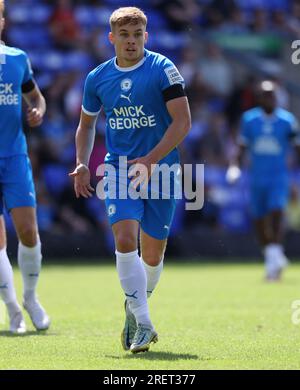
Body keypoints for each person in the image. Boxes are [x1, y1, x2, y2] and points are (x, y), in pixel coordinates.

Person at [70, 7, 191, 353]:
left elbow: (183, 123)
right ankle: (145, 322)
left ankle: (133, 308)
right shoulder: (97, 78)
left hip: (162, 169)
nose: (132, 41)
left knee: (151, 258)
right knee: (125, 238)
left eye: (138, 34)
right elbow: (87, 124)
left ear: (146, 36)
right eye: (124, 35)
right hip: (120, 169)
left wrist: (151, 160)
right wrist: (81, 163)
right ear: (112, 38)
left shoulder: (163, 69)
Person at [0, 0, 50, 333]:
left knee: (29, 233)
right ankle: (13, 308)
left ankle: (31, 297)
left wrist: (39, 110)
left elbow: (37, 97)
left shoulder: (17, 59)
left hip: (15, 156)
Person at [227, 80, 300, 281]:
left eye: (272, 94)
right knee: (259, 219)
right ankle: (273, 256)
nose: (270, 98)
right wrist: (234, 167)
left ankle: (273, 256)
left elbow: (297, 148)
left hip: (278, 176)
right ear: (259, 98)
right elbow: (241, 147)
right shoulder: (250, 120)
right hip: (256, 177)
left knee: (277, 211)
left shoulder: (287, 121)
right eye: (265, 95)